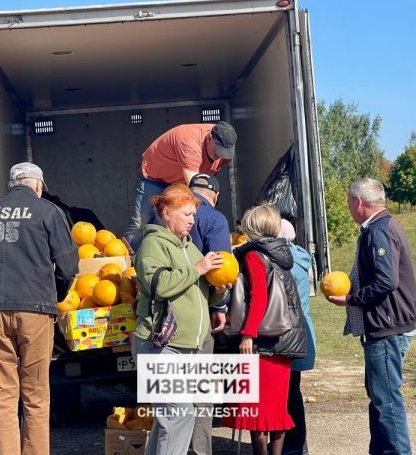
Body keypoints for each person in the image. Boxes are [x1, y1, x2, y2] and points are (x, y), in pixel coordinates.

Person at [0, 162, 78, 455]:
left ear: (11, 184)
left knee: (1, 396)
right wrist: (56, 296)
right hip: (36, 311)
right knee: (36, 395)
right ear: (38, 185)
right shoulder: (49, 211)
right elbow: (68, 266)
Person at [131, 184, 230, 455]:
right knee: (179, 415)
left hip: (186, 346)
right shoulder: (153, 244)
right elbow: (159, 284)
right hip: (160, 345)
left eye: (193, 215)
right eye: (185, 214)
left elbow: (196, 291)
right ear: (165, 213)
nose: (192, 220)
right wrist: (199, 269)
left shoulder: (187, 246)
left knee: (170, 420)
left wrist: (217, 291)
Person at [326, 178, 416, 455]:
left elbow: (386, 281)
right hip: (386, 325)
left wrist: (351, 299)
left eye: (348, 201)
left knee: (387, 401)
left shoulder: (379, 230)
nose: (348, 207)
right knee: (380, 399)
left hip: (386, 327)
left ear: (358, 202)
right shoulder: (383, 226)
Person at [222, 204, 308, 455]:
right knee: (277, 411)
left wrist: (248, 334)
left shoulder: (253, 255)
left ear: (252, 227)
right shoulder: (282, 254)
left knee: (256, 411)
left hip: (262, 343)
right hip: (284, 341)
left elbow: (258, 296)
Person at [123, 121, 237, 250]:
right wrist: (213, 221)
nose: (221, 156)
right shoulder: (190, 143)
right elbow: (196, 190)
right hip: (155, 178)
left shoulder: (224, 146)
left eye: (225, 152)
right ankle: (132, 262)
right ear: (210, 137)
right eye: (218, 151)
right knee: (141, 223)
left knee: (186, 220)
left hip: (182, 180)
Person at [186, 173, 233, 455]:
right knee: (200, 388)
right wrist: (220, 306)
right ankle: (200, 450)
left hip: (164, 319)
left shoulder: (162, 216)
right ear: (213, 195)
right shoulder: (214, 219)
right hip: (200, 312)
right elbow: (222, 270)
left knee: (170, 391)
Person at [277, 219, 317, 455]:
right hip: (301, 332)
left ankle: (292, 447)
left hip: (288, 335)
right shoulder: (300, 257)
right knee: (293, 392)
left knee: (288, 395)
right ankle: (298, 445)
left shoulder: (285, 263)